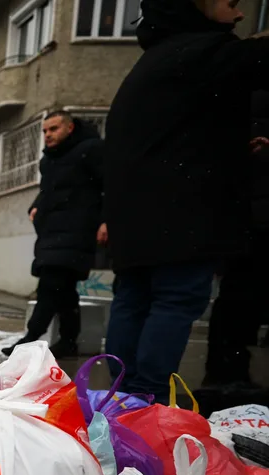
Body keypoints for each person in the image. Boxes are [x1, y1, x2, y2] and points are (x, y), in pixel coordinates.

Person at [104, 0, 269, 399]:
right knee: (175, 300)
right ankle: (146, 396)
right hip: (184, 211)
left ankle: (122, 396)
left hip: (137, 211)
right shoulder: (206, 51)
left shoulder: (155, 62)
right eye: (230, 3)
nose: (241, 14)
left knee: (133, 299)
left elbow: (178, 132)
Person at [1, 112, 105, 358]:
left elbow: (107, 186)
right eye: (45, 131)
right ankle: (69, 341)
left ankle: (30, 338)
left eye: (54, 129)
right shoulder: (49, 160)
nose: (48, 135)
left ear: (70, 127)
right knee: (65, 291)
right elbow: (48, 191)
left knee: (50, 284)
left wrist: (105, 221)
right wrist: (36, 207)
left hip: (76, 230)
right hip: (52, 231)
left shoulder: (91, 150)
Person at [203, 89, 269, 391]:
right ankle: (227, 375)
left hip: (244, 221)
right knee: (240, 300)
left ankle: (226, 373)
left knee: (237, 302)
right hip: (250, 222)